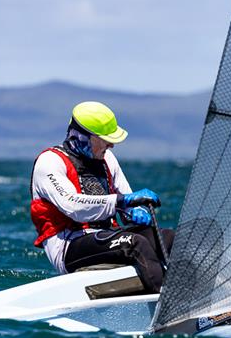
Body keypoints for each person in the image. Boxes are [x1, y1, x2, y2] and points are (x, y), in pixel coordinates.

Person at [30, 101, 173, 293]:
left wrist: (133, 210)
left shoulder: (108, 159)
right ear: (83, 137)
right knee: (134, 243)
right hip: (69, 246)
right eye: (105, 139)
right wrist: (122, 202)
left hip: (108, 235)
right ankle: (169, 305)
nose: (111, 145)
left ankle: (202, 296)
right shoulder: (49, 162)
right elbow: (74, 207)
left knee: (169, 238)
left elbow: (126, 197)